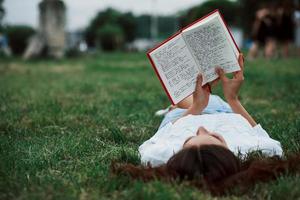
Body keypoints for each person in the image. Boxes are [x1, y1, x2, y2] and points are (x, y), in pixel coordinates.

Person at [112, 54, 300, 194]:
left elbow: (160, 137)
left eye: (192, 138)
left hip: (182, 119)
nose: (202, 129)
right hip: (226, 113)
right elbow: (259, 133)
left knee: (183, 99)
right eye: (214, 136)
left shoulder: (160, 154)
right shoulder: (259, 149)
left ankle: (173, 108)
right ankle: (188, 104)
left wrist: (196, 108)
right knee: (214, 100)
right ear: (228, 151)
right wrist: (233, 99)